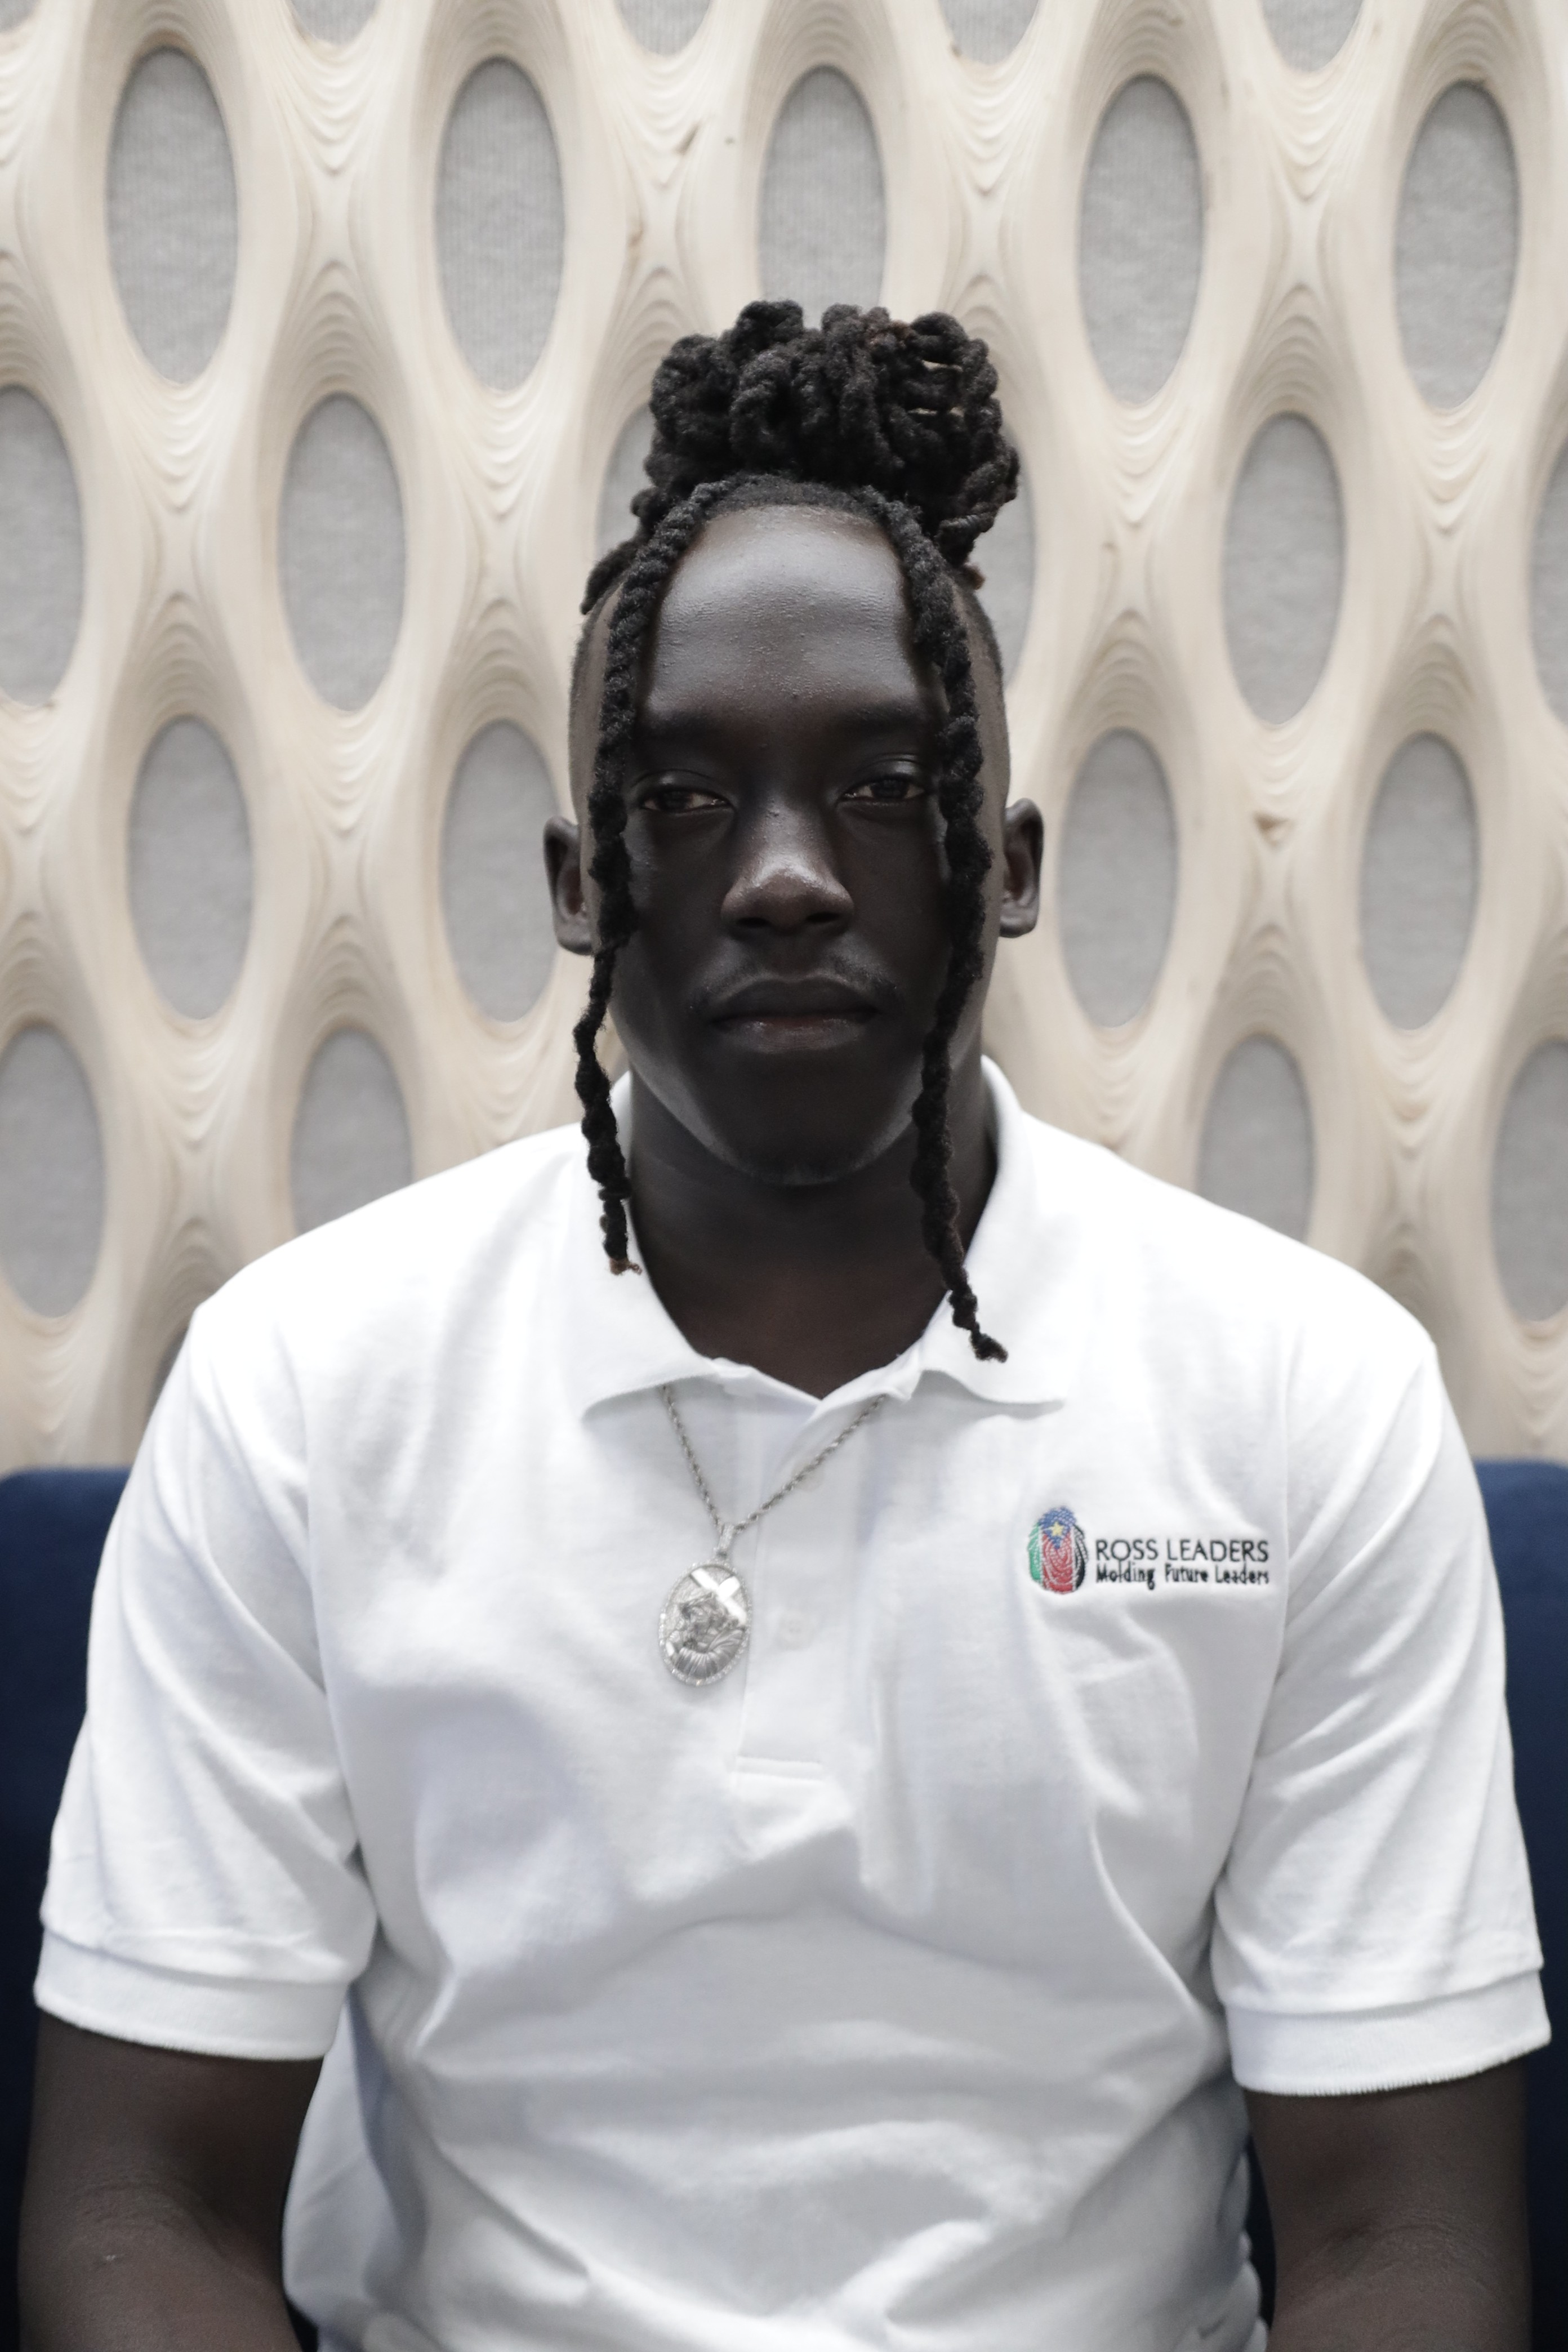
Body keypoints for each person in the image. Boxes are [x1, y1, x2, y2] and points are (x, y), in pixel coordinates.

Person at [20, 303, 1546, 2352]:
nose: (787, 882)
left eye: (888, 789)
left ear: (1004, 866)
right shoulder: (305, 1388)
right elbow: (146, 2212)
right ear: (578, 885)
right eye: (680, 801)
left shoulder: (1305, 1399)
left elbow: (1406, 2251)